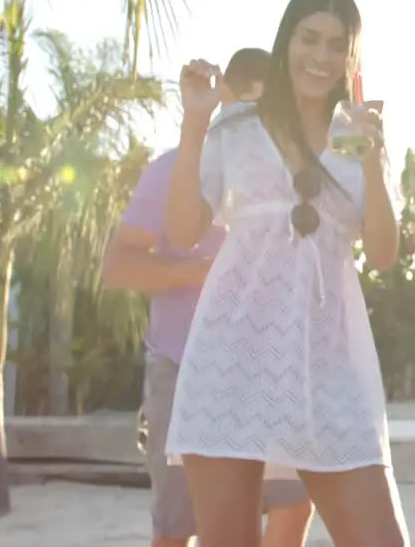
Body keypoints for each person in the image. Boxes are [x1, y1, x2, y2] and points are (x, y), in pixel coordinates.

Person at [163, 0, 407, 547]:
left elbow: (384, 253)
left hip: (328, 362)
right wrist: (195, 122)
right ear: (286, 40)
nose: (321, 57)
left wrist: (371, 163)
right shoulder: (236, 128)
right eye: (309, 38)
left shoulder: (358, 134)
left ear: (352, 55)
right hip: (230, 359)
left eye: (336, 45)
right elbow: (182, 231)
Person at [102, 48, 315, 547]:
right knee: (178, 528)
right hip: (183, 371)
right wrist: (208, 272)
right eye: (241, 113)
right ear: (223, 105)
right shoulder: (174, 169)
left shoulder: (289, 180)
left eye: (265, 116)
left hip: (269, 370)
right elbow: (119, 265)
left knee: (294, 501)